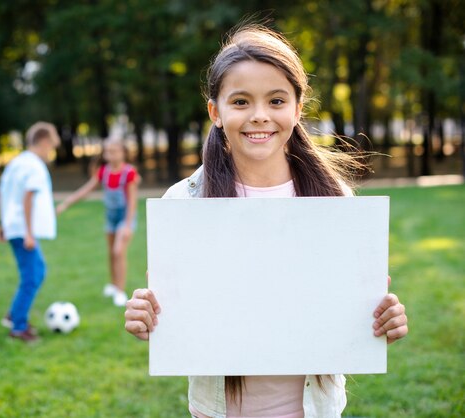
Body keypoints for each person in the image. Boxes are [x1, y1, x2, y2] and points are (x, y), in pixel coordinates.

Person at [124, 25, 409, 417]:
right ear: (216, 112)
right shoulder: (184, 203)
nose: (260, 116)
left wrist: (379, 319)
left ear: (297, 107)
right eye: (240, 102)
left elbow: (348, 316)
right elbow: (176, 314)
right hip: (217, 410)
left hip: (314, 409)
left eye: (276, 100)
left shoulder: (334, 200)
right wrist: (148, 319)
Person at [0, 122, 60, 343]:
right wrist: (29, 233)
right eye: (52, 146)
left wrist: (1, 223)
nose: (51, 152)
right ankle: (18, 326)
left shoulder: (16, 163)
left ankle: (15, 315)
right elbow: (28, 197)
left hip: (14, 226)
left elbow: (2, 193)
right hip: (24, 230)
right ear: (43, 141)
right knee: (33, 275)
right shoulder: (33, 166)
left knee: (36, 272)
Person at [57, 139, 139, 307]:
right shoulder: (103, 172)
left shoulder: (129, 173)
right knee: (111, 252)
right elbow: (85, 190)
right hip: (111, 218)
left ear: (123, 152)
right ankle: (113, 284)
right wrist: (66, 203)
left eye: (115, 150)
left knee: (118, 252)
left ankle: (120, 291)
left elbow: (132, 202)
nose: (111, 154)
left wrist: (128, 225)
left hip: (125, 217)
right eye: (108, 151)